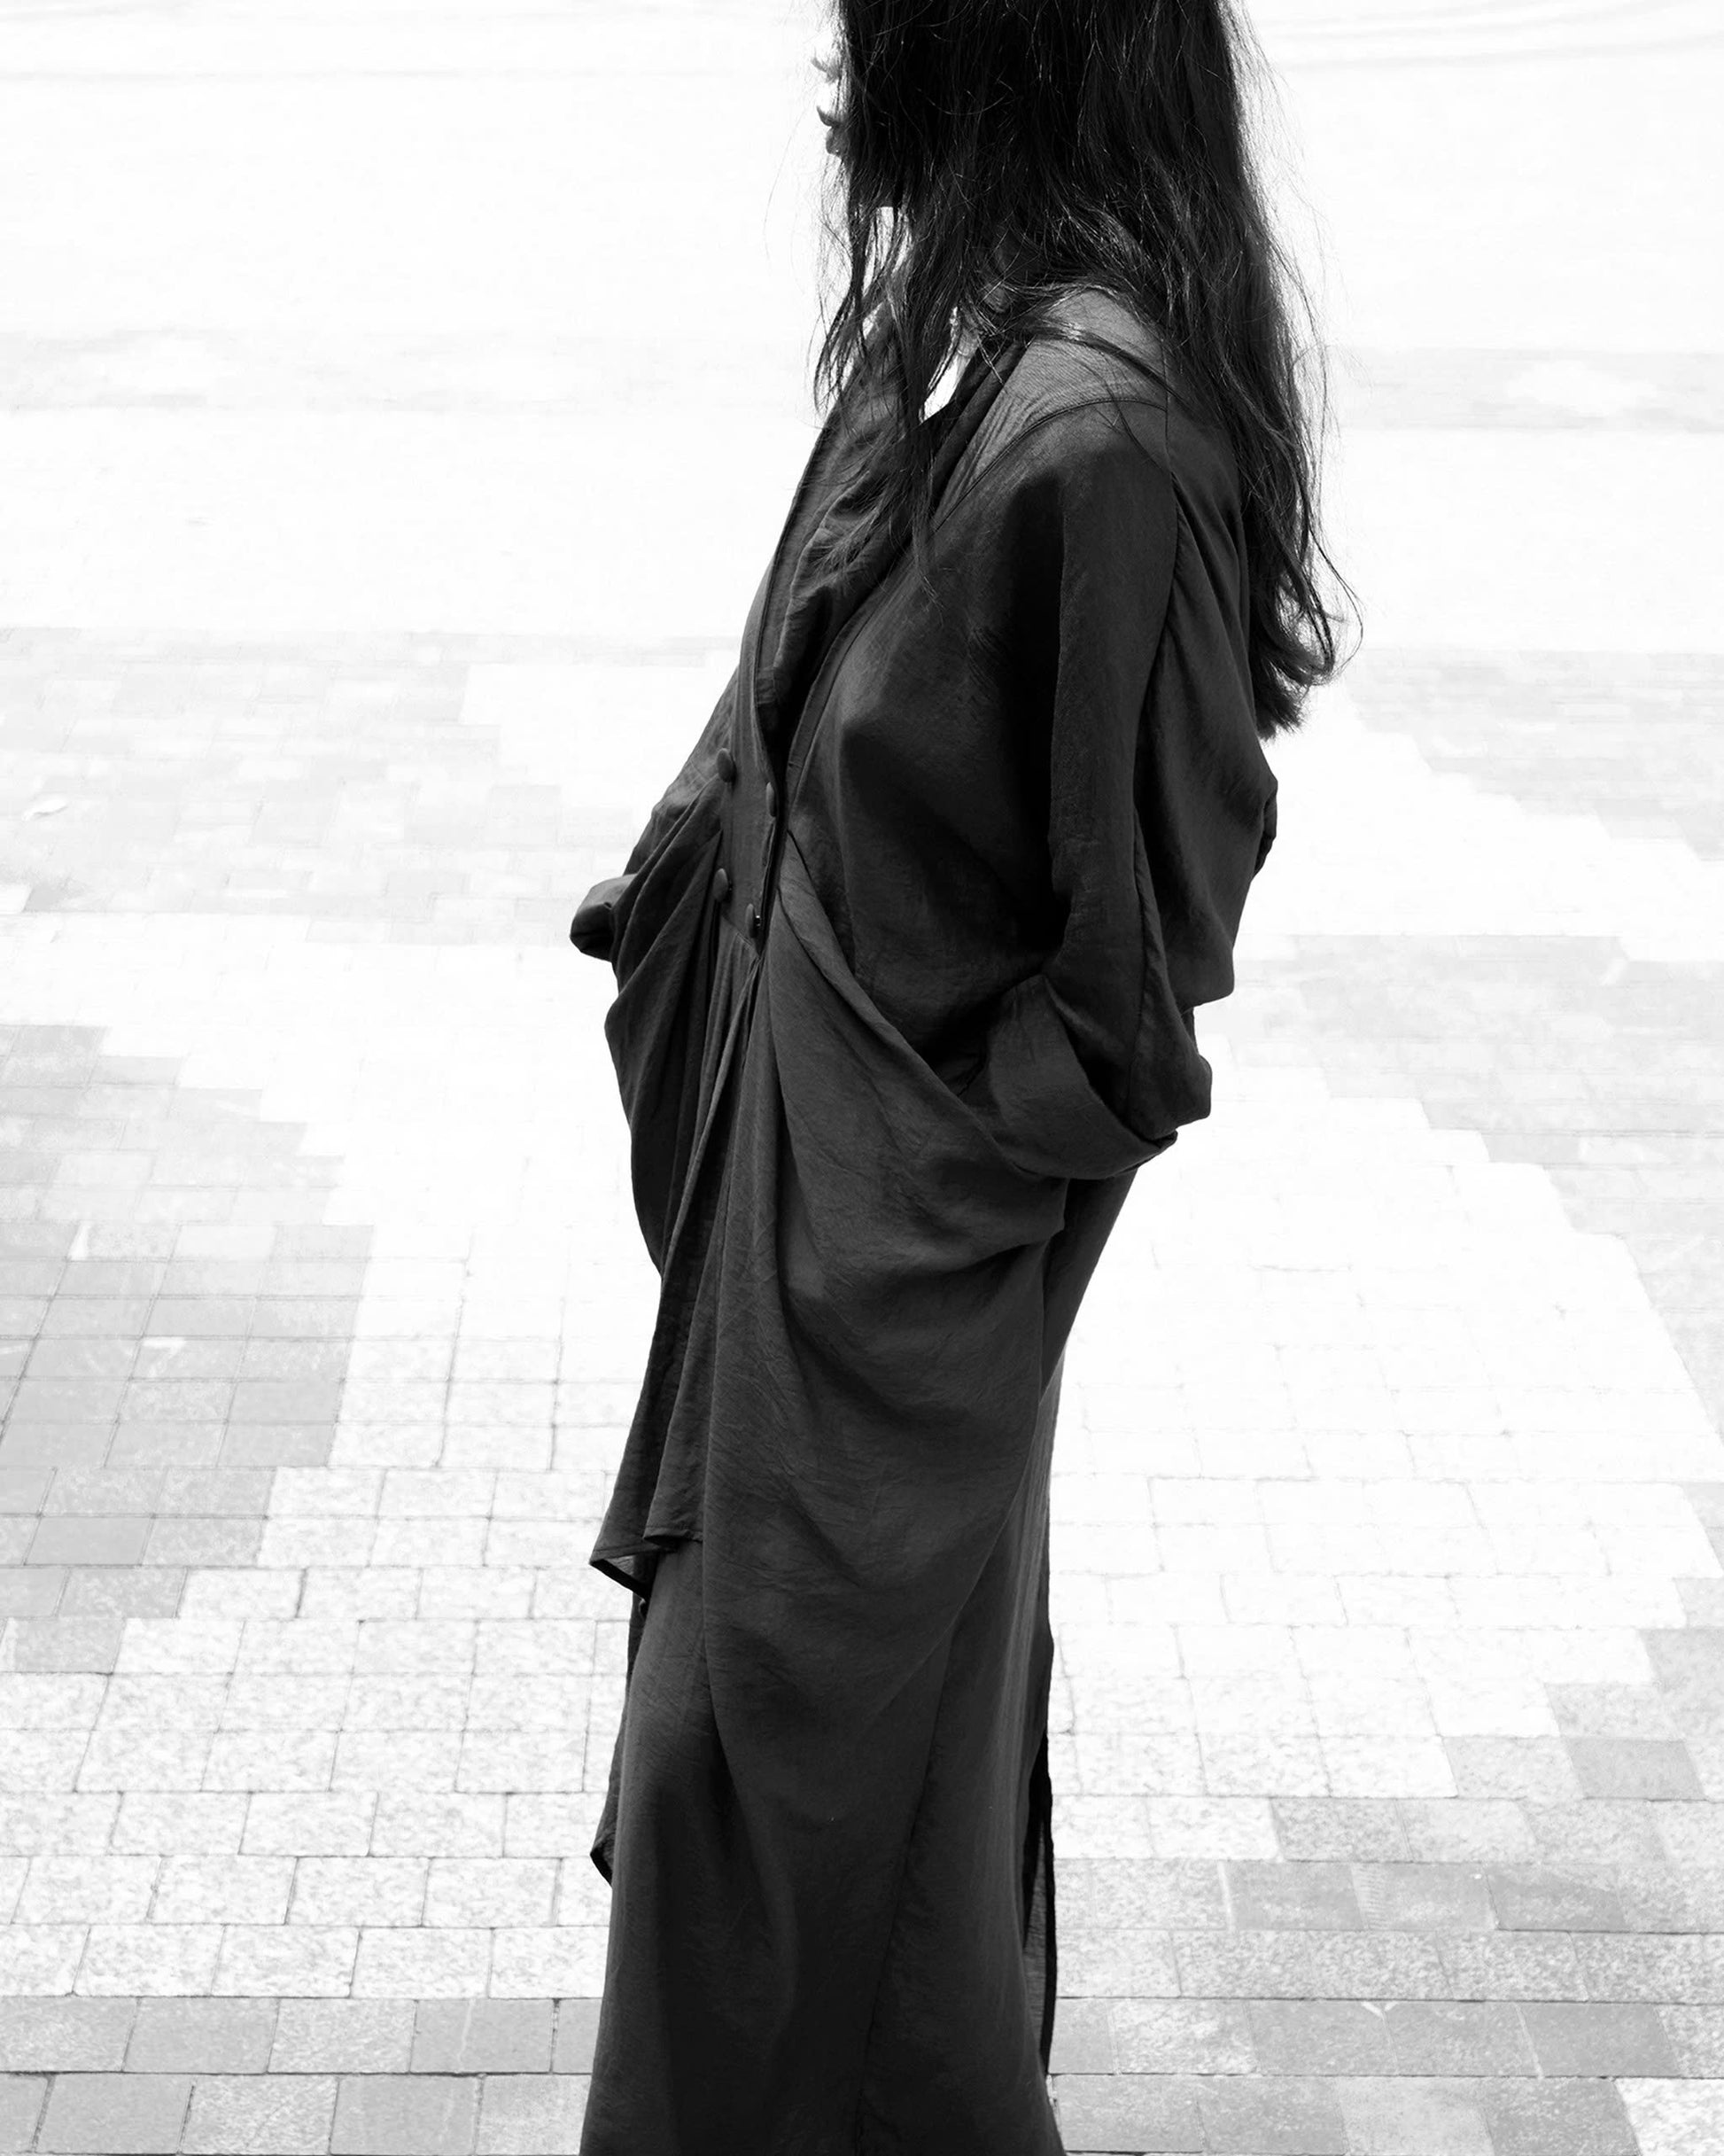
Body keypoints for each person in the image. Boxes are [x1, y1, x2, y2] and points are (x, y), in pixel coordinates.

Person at [567, 2, 1349, 2147]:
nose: (842, 75)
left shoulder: (1101, 435)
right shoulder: (957, 336)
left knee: (762, 1820)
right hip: (790, 1249)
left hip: (886, 1302)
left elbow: (1133, 980)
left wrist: (913, 1195)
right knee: (843, 1885)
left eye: (881, 24)